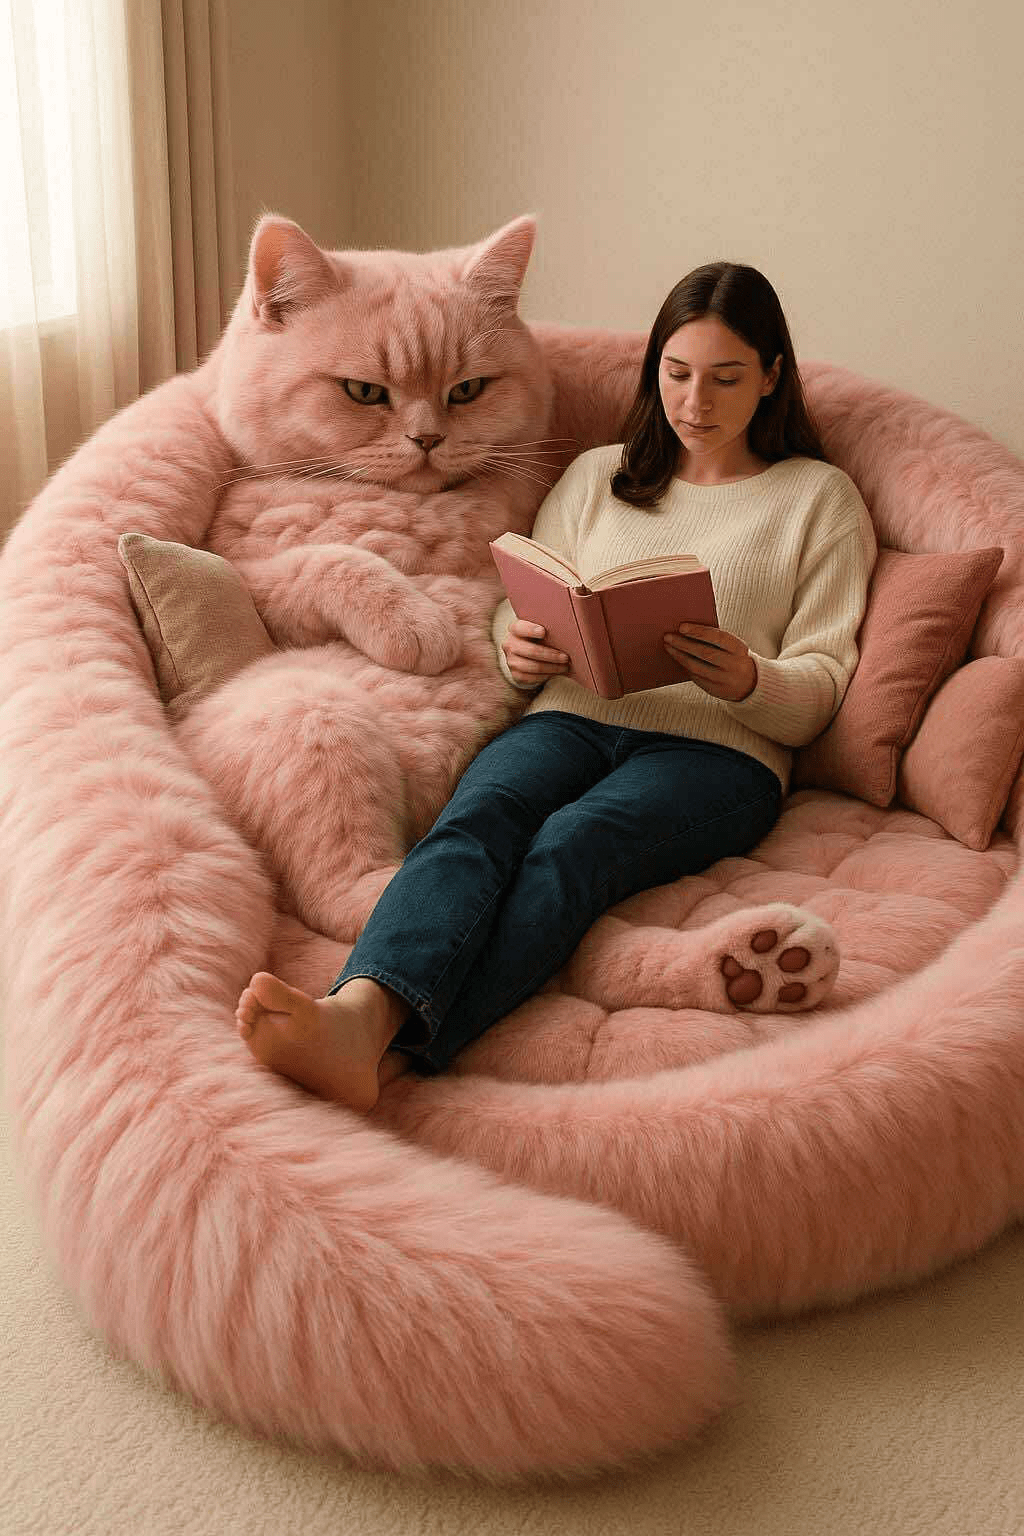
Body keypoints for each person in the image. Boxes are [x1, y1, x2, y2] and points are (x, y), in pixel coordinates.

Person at [235, 262, 877, 1111]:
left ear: (770, 378)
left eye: (725, 378)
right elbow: (524, 603)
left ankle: (395, 1054)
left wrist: (750, 677)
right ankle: (356, 1014)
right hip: (571, 714)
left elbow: (824, 681)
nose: (695, 402)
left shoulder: (819, 500)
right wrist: (523, 648)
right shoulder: (599, 475)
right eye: (676, 375)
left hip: (718, 752)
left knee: (574, 843)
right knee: (475, 822)